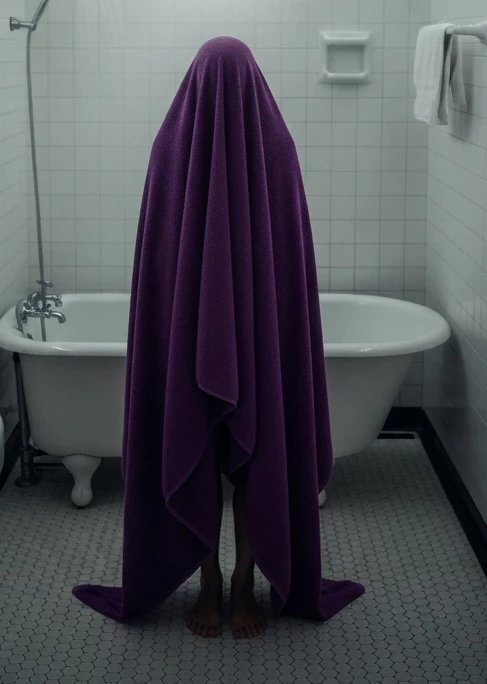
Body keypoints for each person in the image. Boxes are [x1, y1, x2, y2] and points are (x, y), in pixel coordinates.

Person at [73, 37, 363, 637]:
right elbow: (161, 262)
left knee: (257, 460)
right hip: (190, 334)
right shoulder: (173, 151)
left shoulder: (273, 152)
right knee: (200, 449)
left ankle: (238, 584)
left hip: (257, 331)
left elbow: (285, 260)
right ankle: (209, 582)